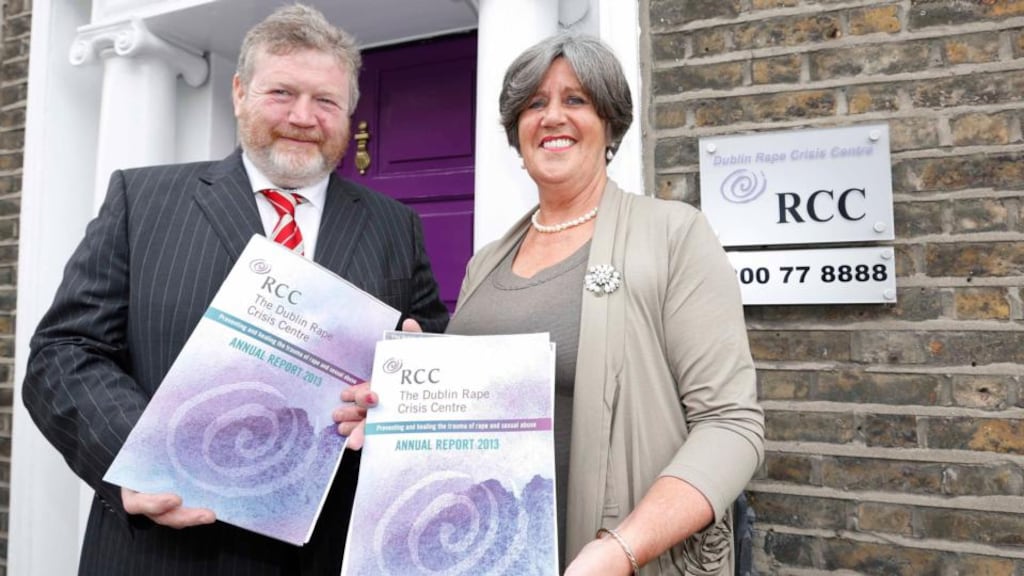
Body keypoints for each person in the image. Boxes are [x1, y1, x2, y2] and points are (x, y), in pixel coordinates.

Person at [22, 4, 448, 575]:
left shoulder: (396, 226)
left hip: (328, 552)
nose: (303, 116)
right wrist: (142, 459)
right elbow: (64, 351)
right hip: (165, 551)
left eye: (325, 101)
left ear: (349, 113)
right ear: (240, 92)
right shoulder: (142, 201)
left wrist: (402, 393)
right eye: (281, 93)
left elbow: (429, 353)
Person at [338, 33, 764, 575]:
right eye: (535, 104)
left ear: (608, 122)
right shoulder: (485, 261)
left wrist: (621, 551)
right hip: (483, 553)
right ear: (517, 131)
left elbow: (731, 425)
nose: (552, 116)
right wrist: (408, 402)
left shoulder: (673, 235)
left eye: (575, 100)